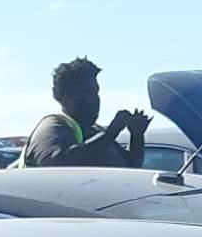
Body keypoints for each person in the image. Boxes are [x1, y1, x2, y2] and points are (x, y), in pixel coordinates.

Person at [17, 58, 150, 170]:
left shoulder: (96, 132)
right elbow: (56, 165)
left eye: (96, 92)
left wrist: (136, 135)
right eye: (88, 92)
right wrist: (111, 132)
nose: (95, 99)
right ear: (66, 97)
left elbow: (129, 168)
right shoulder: (51, 128)